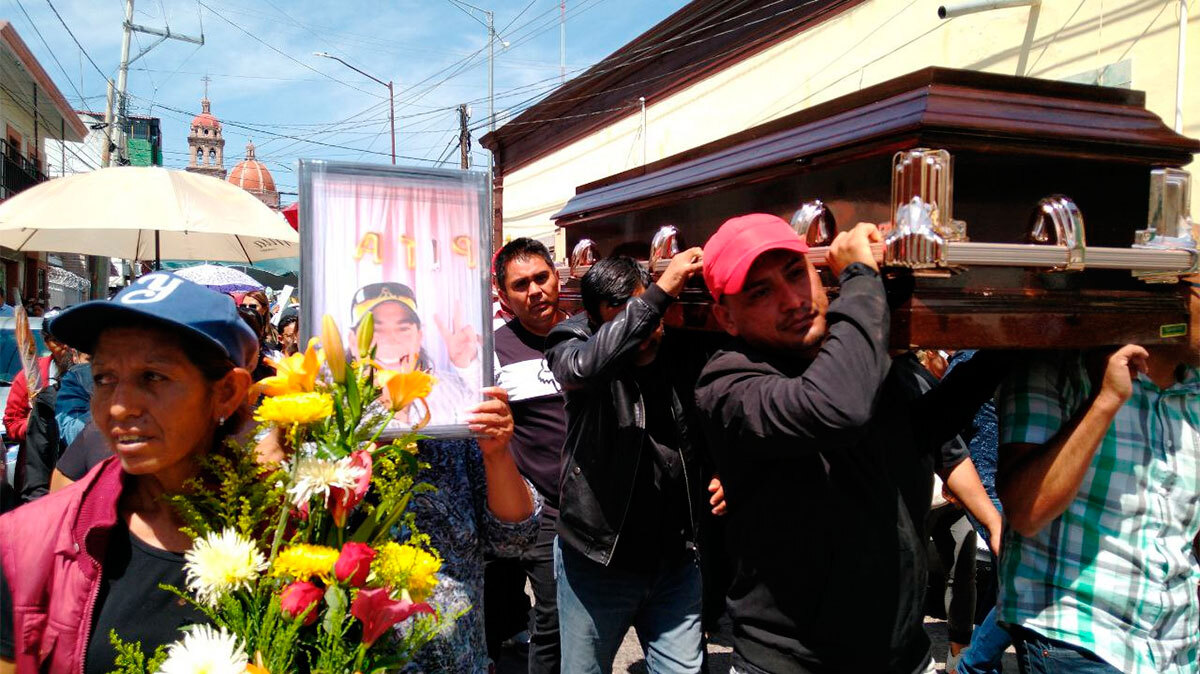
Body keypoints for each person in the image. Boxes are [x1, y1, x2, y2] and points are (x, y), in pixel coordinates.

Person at [692, 214, 1007, 674]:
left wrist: (1008, 342)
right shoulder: (728, 382)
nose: (792, 300)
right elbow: (836, 407)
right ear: (726, 317)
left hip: (902, 655)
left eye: (797, 273)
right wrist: (860, 278)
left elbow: (927, 428)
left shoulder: (858, 362)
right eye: (760, 292)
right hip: (792, 664)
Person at [0, 272, 259, 674]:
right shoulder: (27, 543)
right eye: (104, 378)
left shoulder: (291, 533)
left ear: (226, 392)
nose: (119, 407)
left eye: (153, 377)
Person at [546, 249, 720, 674]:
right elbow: (582, 368)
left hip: (674, 563)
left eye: (644, 308)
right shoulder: (570, 341)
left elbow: (717, 410)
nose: (643, 324)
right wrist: (657, 295)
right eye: (623, 312)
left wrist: (724, 469)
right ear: (596, 318)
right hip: (596, 561)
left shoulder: (681, 346)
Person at [995, 318, 1199, 670]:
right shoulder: (1056, 370)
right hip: (1078, 638)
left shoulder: (1194, 395)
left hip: (1178, 649)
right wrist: (1105, 401)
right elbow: (1027, 511)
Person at [487, 237, 570, 673]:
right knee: (553, 618)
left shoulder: (588, 333)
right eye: (521, 285)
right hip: (539, 510)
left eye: (542, 277)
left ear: (557, 277)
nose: (535, 290)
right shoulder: (493, 351)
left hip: (597, 510)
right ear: (504, 296)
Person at [349, 282, 480, 426]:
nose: (391, 340)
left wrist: (466, 365)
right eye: (375, 330)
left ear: (419, 337)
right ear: (353, 342)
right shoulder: (334, 403)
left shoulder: (450, 389)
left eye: (403, 328)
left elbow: (487, 420)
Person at [3, 325, 72, 443]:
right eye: (56, 340)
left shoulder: (92, 372)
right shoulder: (31, 376)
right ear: (46, 343)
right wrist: (33, 425)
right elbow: (12, 423)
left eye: (69, 338)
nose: (65, 346)